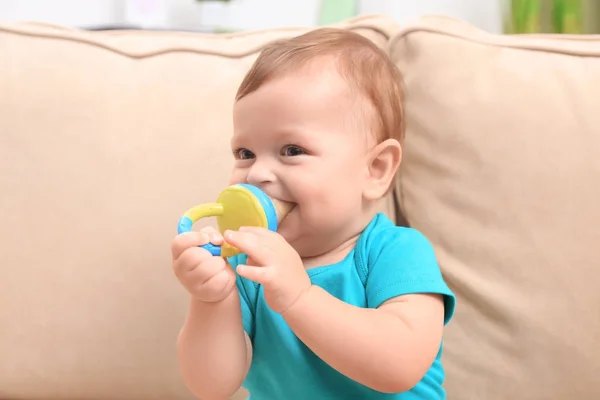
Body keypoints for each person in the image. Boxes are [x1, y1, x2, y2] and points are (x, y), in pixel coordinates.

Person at [171, 27, 456, 400]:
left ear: (375, 170)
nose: (256, 174)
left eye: (291, 150)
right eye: (244, 153)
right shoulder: (244, 263)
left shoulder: (397, 251)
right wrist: (212, 300)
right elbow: (212, 386)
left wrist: (299, 297)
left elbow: (399, 365)